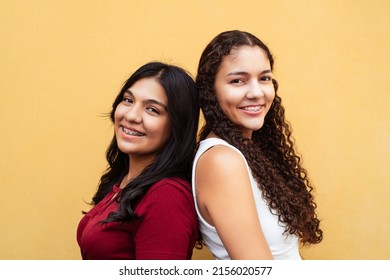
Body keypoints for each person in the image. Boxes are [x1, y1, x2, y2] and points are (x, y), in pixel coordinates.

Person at [192, 30, 323, 260]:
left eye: (264, 78)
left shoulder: (249, 153)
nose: (256, 92)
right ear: (210, 91)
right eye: (237, 81)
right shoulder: (221, 161)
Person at [77, 62, 200, 260]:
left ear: (177, 125)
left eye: (152, 110)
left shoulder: (167, 196)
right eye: (128, 100)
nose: (131, 115)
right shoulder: (125, 180)